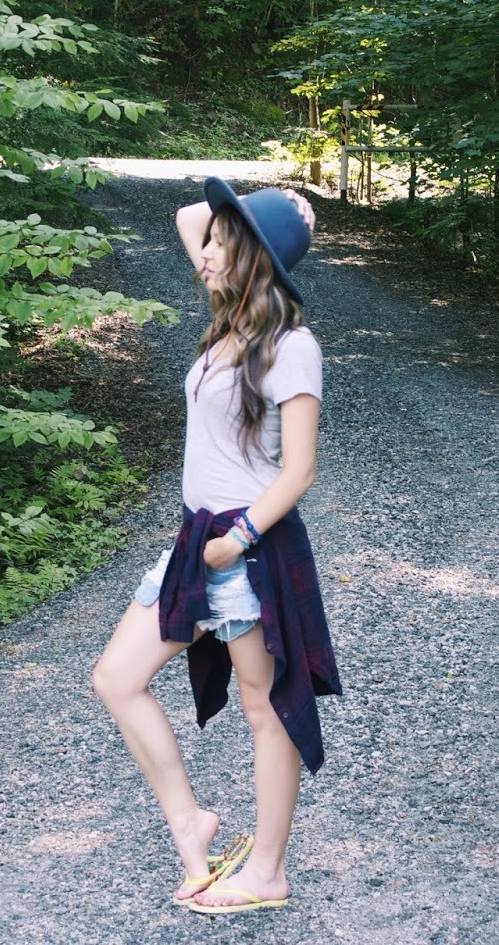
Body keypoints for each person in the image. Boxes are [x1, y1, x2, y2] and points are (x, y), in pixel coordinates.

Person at [91, 177, 342, 915]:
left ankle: (266, 871)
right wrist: (255, 207)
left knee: (267, 708)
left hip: (246, 546)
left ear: (254, 258)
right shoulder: (229, 321)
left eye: (222, 245)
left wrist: (239, 539)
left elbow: (299, 470)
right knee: (116, 678)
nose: (203, 253)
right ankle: (190, 822)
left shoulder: (292, 346)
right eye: (211, 244)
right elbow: (188, 213)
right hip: (195, 539)